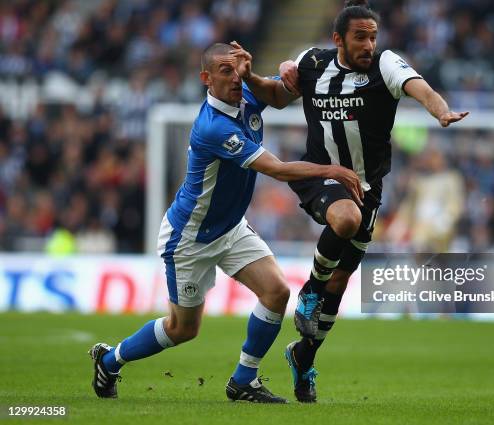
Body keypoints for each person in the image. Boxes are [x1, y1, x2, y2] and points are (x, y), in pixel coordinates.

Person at [88, 42, 363, 404]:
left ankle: (243, 381)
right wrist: (332, 170)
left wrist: (290, 68)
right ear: (206, 78)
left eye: (237, 69)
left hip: (230, 227)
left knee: (277, 292)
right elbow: (277, 169)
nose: (235, 78)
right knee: (182, 329)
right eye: (224, 71)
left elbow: (282, 95)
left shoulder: (246, 92)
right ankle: (109, 360)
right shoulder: (212, 127)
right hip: (190, 237)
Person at [235, 0, 468, 403]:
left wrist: (440, 111)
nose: (369, 45)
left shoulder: (386, 65)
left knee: (340, 283)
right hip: (320, 175)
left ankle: (303, 358)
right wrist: (251, 77)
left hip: (368, 188)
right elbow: (275, 96)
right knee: (344, 219)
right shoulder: (311, 63)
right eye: (360, 37)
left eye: (373, 37)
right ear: (338, 39)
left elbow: (420, 88)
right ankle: (309, 288)